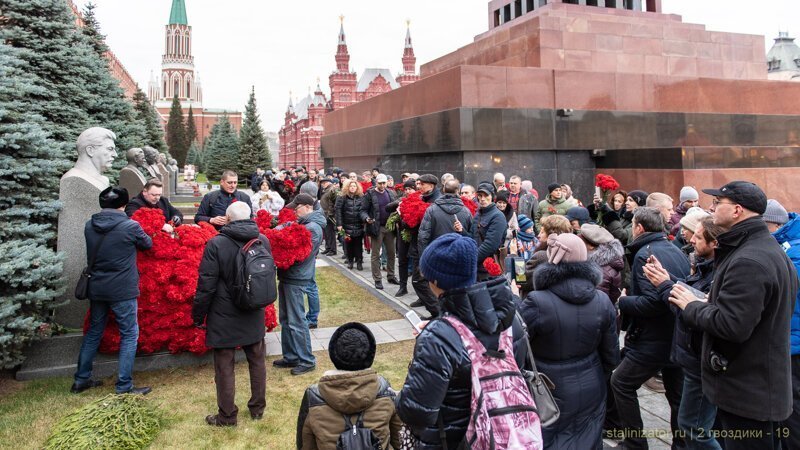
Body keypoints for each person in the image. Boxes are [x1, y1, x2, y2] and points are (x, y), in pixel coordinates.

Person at [674, 182, 798, 449]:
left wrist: (691, 305)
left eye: (719, 203)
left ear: (737, 211)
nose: (712, 207)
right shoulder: (759, 249)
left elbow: (732, 325)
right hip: (754, 387)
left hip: (749, 392)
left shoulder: (749, 259)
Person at [396, 234, 530, 449]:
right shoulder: (511, 318)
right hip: (508, 434)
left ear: (437, 281)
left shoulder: (438, 338)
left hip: (454, 440)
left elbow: (417, 411)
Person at [519, 233, 620, 449]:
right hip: (592, 382)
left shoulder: (537, 302)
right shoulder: (602, 300)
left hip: (549, 386)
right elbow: (611, 354)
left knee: (550, 439)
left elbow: (517, 348)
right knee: (589, 438)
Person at [642, 216, 724, 450]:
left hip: (701, 359)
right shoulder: (705, 265)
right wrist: (668, 280)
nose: (691, 239)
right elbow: (693, 293)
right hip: (693, 358)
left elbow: (694, 308)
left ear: (714, 243)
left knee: (692, 426)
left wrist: (664, 285)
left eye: (698, 236)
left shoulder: (718, 272)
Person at [612, 207, 690, 450]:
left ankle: (634, 444)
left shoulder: (645, 254)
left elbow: (654, 303)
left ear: (639, 228)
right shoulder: (675, 249)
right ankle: (681, 444)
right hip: (677, 334)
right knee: (677, 395)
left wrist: (622, 301)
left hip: (653, 338)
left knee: (621, 383)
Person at [192, 202, 270, 426]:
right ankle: (257, 409)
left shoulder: (217, 243)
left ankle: (227, 416)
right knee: (257, 361)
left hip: (224, 311)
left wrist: (198, 315)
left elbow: (206, 284)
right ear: (250, 216)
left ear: (226, 218)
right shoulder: (262, 240)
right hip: (253, 308)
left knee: (224, 365)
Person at [72, 186, 152, 396]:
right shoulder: (130, 226)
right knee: (129, 333)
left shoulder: (90, 225)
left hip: (97, 286)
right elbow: (147, 244)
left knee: (94, 332)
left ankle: (81, 379)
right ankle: (124, 385)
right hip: (122, 288)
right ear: (123, 205)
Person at [296, 322, 402, 449]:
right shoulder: (385, 391)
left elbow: (305, 445)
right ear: (370, 354)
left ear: (334, 354)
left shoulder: (313, 396)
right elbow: (399, 441)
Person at [274, 193, 326, 376]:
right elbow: (289, 226)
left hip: (297, 277)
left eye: (296, 208)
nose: (294, 212)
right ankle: (291, 356)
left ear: (306, 207)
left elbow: (300, 255)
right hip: (290, 276)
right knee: (287, 319)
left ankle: (306, 359)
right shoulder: (305, 224)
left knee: (297, 321)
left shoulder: (312, 228)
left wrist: (280, 255)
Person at [767, 200, 800, 449]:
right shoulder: (782, 245)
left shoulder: (793, 251)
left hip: (793, 344)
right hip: (786, 340)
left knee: (792, 413)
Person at [409, 174, 442, 318]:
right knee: (422, 282)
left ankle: (438, 313)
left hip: (429, 248)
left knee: (419, 281)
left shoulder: (436, 202)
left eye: (422, 184)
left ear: (431, 186)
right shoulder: (424, 198)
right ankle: (436, 313)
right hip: (420, 247)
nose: (419, 186)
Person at [418, 178, 474, 259]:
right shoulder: (466, 212)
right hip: (458, 257)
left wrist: (423, 258)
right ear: (458, 191)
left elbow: (423, 237)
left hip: (436, 256)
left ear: (443, 189)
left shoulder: (431, 210)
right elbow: (472, 237)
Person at [360, 174, 399, 290]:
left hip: (390, 227)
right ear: (376, 182)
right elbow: (363, 210)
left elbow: (396, 208)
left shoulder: (391, 193)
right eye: (380, 183)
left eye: (384, 183)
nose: (382, 185)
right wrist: (366, 218)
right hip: (377, 227)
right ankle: (377, 279)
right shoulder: (370, 194)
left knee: (391, 253)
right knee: (376, 254)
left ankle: (391, 275)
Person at [520, 215, 572, 297]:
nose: (538, 235)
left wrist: (514, 255)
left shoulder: (542, 256)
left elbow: (521, 280)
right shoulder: (571, 253)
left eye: (542, 232)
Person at [580, 223, 625, 305]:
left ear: (591, 246)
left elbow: (598, 304)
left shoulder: (601, 271)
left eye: (581, 242)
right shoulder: (605, 263)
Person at [387, 179, 417, 297]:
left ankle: (418, 289)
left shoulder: (421, 200)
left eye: (410, 189)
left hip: (415, 235)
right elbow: (388, 207)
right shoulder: (402, 200)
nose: (408, 191)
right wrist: (398, 204)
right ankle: (403, 286)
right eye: (406, 189)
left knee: (415, 261)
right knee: (402, 260)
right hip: (402, 233)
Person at [473, 182, 508, 281]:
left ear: (492, 197)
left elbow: (491, 245)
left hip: (488, 268)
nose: (482, 199)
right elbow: (472, 237)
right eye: (480, 195)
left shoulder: (498, 216)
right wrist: (461, 231)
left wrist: (472, 260)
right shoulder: (478, 214)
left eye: (486, 195)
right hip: (476, 268)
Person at [335, 179, 365, 270]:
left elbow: (364, 209)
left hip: (358, 224)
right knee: (348, 245)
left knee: (359, 245)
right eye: (351, 186)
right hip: (346, 224)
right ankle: (350, 261)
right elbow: (338, 211)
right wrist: (339, 225)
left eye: (354, 186)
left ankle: (359, 262)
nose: (353, 188)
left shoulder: (361, 197)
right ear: (347, 187)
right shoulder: (342, 197)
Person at [319, 177, 338, 256]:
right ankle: (328, 248)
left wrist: (331, 213)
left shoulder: (331, 190)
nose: (322, 184)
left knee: (330, 233)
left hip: (329, 215)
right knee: (326, 233)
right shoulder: (326, 190)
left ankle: (332, 249)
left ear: (329, 182)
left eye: (324, 183)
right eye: (322, 183)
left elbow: (333, 203)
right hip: (324, 214)